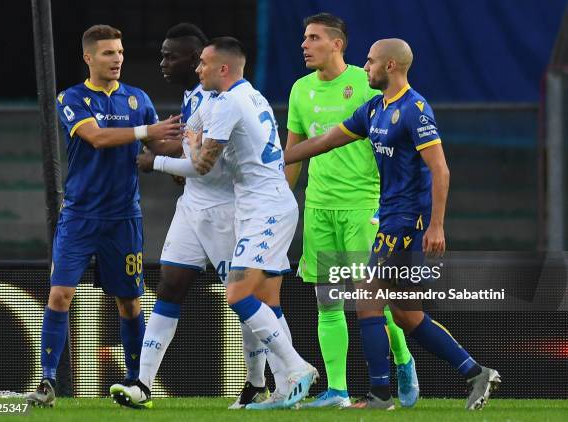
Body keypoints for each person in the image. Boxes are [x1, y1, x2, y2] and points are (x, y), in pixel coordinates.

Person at [283, 38, 501, 410]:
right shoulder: (374, 109)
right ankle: (476, 372)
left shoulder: (415, 110)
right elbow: (326, 141)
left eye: (370, 63)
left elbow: (440, 169)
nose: (364, 67)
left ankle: (380, 395)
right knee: (405, 313)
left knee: (367, 299)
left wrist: (436, 226)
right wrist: (277, 159)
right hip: (391, 220)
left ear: (390, 67)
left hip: (407, 222)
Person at [108, 23, 270, 410]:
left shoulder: (216, 99)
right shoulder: (192, 97)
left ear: (199, 59)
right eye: (163, 54)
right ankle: (142, 384)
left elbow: (205, 165)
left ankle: (259, 382)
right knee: (170, 286)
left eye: (172, 56)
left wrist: (156, 161)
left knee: (243, 298)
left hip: (225, 211)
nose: (163, 62)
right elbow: (190, 149)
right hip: (192, 208)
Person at [26, 24, 182, 407]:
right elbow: (95, 137)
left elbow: (158, 141)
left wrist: (194, 141)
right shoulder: (72, 98)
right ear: (88, 57)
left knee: (129, 303)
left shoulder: (136, 98)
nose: (117, 60)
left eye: (120, 52)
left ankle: (134, 383)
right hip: (79, 217)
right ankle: (47, 382)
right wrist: (148, 129)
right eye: (109, 53)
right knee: (60, 294)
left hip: (123, 219)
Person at [284, 13, 418, 408]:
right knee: (327, 300)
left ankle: (403, 361)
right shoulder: (300, 90)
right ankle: (338, 390)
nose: (305, 45)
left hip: (363, 206)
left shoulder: (365, 83)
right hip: (319, 206)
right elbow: (294, 153)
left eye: (313, 38)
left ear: (337, 44)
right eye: (304, 38)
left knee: (372, 300)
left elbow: (396, 136)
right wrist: (282, 199)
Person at [186, 36, 318, 410]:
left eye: (204, 64)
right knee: (266, 299)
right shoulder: (243, 95)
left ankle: (296, 367)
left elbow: (202, 162)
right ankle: (284, 389)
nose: (198, 70)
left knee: (237, 293)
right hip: (259, 205)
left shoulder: (229, 103)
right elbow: (190, 128)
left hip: (266, 209)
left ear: (223, 69)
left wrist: (166, 159)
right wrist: (189, 138)